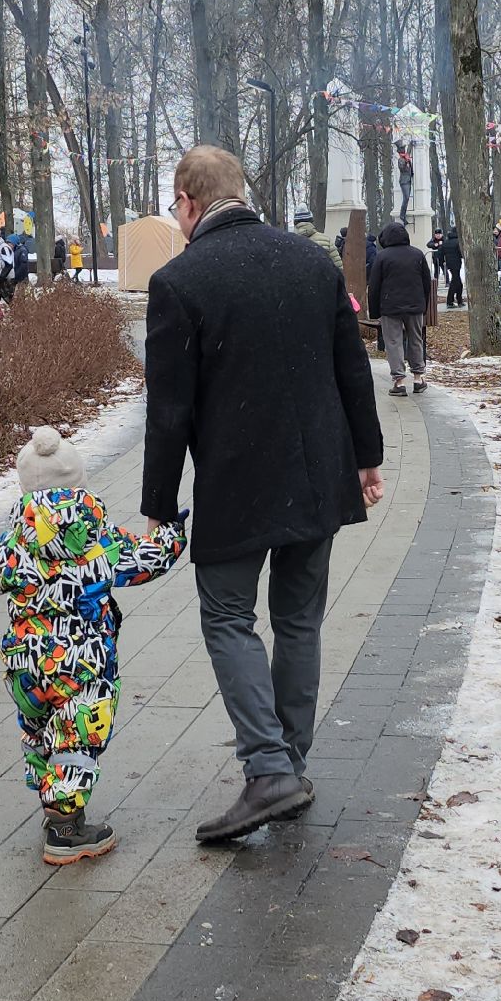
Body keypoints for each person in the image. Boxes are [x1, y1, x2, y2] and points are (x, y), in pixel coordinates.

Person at [142, 145, 385, 843]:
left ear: (189, 202)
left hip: (237, 484)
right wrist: (367, 458)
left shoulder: (180, 282)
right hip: (318, 477)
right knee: (300, 620)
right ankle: (288, 767)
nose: (176, 218)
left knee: (226, 617)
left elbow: (169, 413)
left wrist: (158, 503)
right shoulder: (314, 262)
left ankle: (270, 770)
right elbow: (353, 371)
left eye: (174, 206)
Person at [0, 427, 188, 864]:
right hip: (83, 665)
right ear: (79, 483)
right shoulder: (99, 540)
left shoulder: (14, 544)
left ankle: (51, 804)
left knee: (39, 733)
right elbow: (149, 560)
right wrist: (172, 533)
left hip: (26, 665)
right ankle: (66, 828)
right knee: (76, 737)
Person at [368, 220, 432, 396]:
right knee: (416, 339)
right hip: (415, 305)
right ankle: (419, 378)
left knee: (394, 342)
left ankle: (399, 381)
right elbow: (426, 282)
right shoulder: (417, 254)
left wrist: (375, 311)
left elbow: (374, 286)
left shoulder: (382, 257)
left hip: (390, 306)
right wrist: (423, 304)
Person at [438, 228, 464, 307]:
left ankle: (458, 300)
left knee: (457, 282)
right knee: (455, 283)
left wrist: (442, 262)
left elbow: (440, 253)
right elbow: (461, 253)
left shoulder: (446, 242)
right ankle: (450, 301)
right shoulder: (458, 242)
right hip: (456, 263)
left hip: (450, 264)